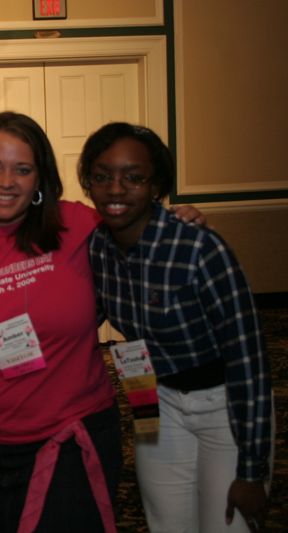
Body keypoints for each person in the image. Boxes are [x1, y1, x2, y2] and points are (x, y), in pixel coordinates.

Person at [0, 111, 122, 533]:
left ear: (40, 179)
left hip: (71, 435)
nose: (6, 182)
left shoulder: (79, 224)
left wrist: (183, 219)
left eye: (22, 169)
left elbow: (140, 227)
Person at [79, 122, 272, 533]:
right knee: (167, 523)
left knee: (226, 526)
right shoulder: (97, 247)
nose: (115, 189)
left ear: (156, 185)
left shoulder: (200, 248)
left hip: (224, 406)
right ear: (88, 182)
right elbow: (79, 320)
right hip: (158, 401)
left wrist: (252, 471)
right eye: (102, 176)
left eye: (133, 177)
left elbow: (249, 361)